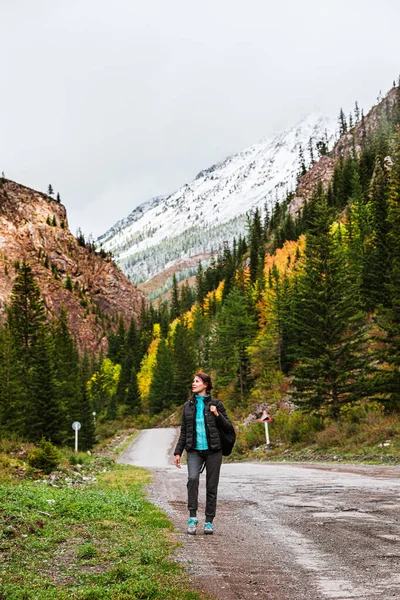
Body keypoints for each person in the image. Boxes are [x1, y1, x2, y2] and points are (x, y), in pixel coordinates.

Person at [173, 371, 234, 535]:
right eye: (193, 381)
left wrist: (217, 414)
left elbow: (228, 427)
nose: (193, 383)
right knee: (192, 479)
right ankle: (192, 517)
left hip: (214, 451)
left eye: (197, 381)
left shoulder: (217, 405)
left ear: (205, 385)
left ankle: (208, 521)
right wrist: (178, 452)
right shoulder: (188, 406)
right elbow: (184, 432)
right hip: (193, 450)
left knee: (211, 486)